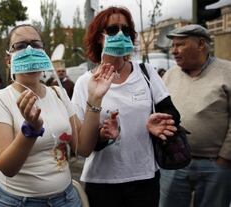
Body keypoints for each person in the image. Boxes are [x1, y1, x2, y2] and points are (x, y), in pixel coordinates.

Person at [0, 24, 116, 207]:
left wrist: (94, 98)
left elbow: (83, 148)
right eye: (20, 46)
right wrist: (30, 130)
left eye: (36, 45)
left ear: (45, 54)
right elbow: (7, 168)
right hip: (18, 202)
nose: (30, 50)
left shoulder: (58, 94)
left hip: (67, 199)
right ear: (8, 60)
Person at [72, 7, 181, 207]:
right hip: (102, 182)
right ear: (99, 37)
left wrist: (159, 123)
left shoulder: (146, 72)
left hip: (145, 178)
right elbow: (80, 145)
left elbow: (171, 113)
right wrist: (102, 136)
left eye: (126, 30)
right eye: (113, 30)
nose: (121, 35)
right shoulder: (84, 82)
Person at [160, 24, 231, 207]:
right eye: (173, 45)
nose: (174, 51)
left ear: (201, 44)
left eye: (180, 44)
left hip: (215, 165)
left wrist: (225, 158)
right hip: (174, 162)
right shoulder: (169, 75)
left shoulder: (227, 72)